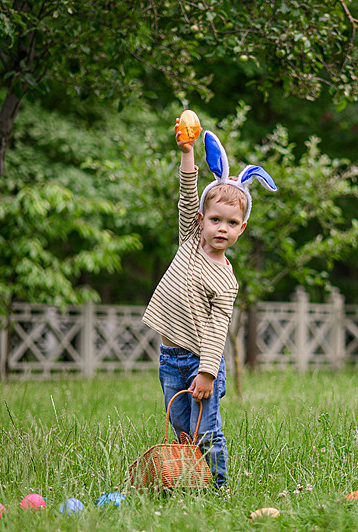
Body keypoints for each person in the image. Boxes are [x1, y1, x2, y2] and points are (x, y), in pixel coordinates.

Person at [142, 116, 276, 489]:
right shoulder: (190, 240)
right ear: (200, 220)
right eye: (215, 219)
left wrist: (207, 372)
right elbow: (188, 192)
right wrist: (188, 154)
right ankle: (188, 481)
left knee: (206, 430)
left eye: (231, 223)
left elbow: (218, 329)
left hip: (203, 362)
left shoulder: (227, 278)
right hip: (170, 357)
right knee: (181, 428)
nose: (222, 228)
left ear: (241, 228)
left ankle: (218, 487)